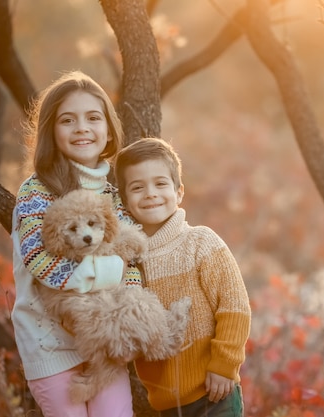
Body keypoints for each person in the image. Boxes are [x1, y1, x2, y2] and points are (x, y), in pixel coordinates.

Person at [10, 70, 138, 417]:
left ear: (109, 129)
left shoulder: (114, 193)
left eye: (93, 118)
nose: (82, 128)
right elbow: (41, 262)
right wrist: (111, 269)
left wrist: (124, 320)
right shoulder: (36, 192)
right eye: (68, 120)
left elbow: (134, 261)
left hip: (105, 343)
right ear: (51, 131)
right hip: (50, 346)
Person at [114, 137, 252, 417]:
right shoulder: (126, 261)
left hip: (215, 393)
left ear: (179, 192)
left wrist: (224, 366)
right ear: (125, 201)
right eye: (138, 187)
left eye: (160, 184)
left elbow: (235, 307)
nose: (150, 193)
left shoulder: (201, 242)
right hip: (164, 404)